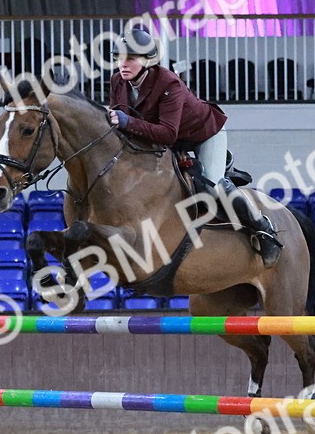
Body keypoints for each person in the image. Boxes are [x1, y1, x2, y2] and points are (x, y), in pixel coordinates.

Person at [106, 27, 281, 268]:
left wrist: (127, 122)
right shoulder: (117, 81)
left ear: (147, 60)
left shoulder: (169, 83)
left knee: (213, 187)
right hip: (168, 139)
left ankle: (263, 228)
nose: (123, 64)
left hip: (204, 133)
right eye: (119, 58)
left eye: (131, 58)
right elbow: (122, 124)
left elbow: (167, 133)